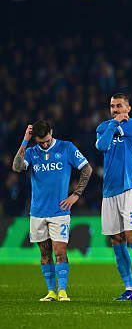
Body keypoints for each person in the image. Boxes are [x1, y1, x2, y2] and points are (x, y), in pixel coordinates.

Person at [12, 120, 92, 302]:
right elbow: (17, 167)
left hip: (59, 211)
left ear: (52, 132)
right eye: (41, 142)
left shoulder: (66, 148)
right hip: (37, 211)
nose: (45, 145)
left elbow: (87, 169)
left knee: (60, 251)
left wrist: (76, 195)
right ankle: (51, 292)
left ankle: (62, 291)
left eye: (47, 140)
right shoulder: (31, 152)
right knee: (44, 253)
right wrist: (25, 141)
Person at [95, 93, 132, 301]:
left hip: (130, 188)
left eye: (119, 106)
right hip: (109, 190)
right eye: (112, 106)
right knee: (116, 239)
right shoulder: (104, 127)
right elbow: (101, 146)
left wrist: (115, 124)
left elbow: (105, 141)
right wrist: (114, 123)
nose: (115, 109)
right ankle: (129, 288)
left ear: (128, 108)